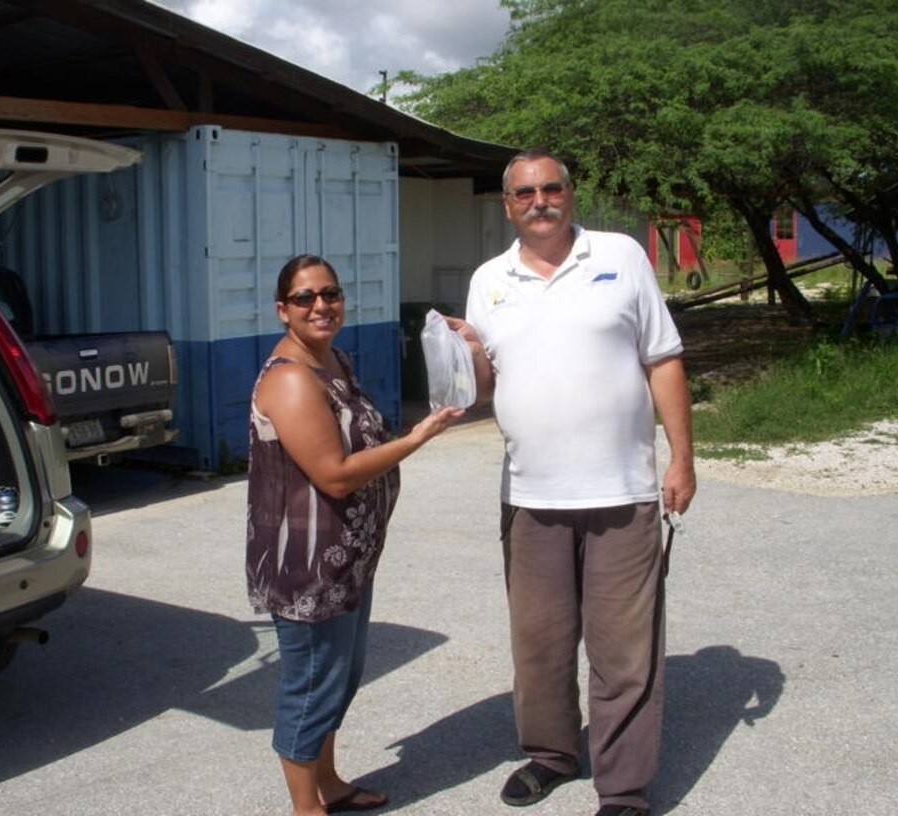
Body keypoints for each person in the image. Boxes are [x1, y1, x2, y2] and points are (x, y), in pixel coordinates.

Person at [447, 150, 696, 816]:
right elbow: (490, 382)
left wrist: (681, 459)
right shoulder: (488, 280)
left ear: (570, 193)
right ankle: (552, 755)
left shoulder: (621, 257)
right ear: (507, 205)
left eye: (551, 188)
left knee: (625, 651)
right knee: (541, 644)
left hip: (622, 492)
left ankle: (623, 789)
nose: (540, 201)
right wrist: (467, 356)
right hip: (530, 496)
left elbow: (664, 359)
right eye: (525, 192)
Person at [246, 254, 464, 816]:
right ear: (282, 310)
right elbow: (336, 476)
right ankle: (305, 808)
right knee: (311, 685)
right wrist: (418, 438)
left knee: (338, 681)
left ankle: (331, 783)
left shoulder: (333, 361)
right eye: (305, 298)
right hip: (309, 568)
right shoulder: (291, 379)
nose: (321, 305)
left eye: (331, 294)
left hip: (348, 559)